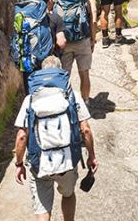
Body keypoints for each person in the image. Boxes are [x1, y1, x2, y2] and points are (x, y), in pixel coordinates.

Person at [14, 68, 98, 221]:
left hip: (40, 163)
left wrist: (19, 164)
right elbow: (85, 130)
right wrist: (91, 157)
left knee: (43, 210)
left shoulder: (30, 99)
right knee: (68, 194)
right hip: (66, 162)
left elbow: (21, 136)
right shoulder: (72, 96)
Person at [54, 0, 98, 103]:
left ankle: (65, 101)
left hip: (64, 41)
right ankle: (85, 100)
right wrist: (93, 40)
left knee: (64, 74)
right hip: (82, 40)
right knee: (84, 73)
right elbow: (94, 21)